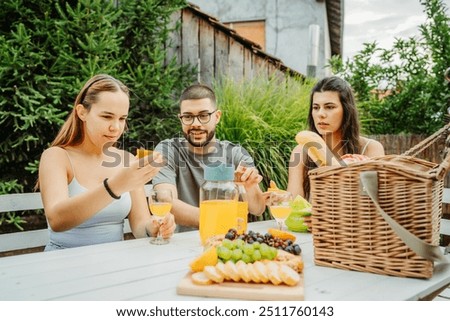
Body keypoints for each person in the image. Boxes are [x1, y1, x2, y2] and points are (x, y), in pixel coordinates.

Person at [38, 74, 176, 251]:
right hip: (63, 263)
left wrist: (156, 227)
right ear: (82, 112)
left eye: (122, 118)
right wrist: (115, 186)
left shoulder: (127, 160)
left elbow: (140, 225)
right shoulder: (56, 157)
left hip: (113, 264)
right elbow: (57, 220)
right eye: (106, 117)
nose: (116, 128)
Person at [152, 83, 266, 232]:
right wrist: (220, 221)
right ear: (180, 119)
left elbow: (258, 209)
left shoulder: (236, 153)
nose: (196, 124)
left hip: (228, 243)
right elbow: (165, 201)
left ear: (217, 117)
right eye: (188, 117)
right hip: (181, 246)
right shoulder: (167, 150)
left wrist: (249, 187)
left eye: (204, 116)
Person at [287, 76, 385, 199]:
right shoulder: (301, 152)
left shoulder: (371, 148)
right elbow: (294, 204)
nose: (320, 114)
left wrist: (329, 161)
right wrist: (280, 200)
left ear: (346, 110)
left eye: (329, 107)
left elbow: (372, 200)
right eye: (316, 107)